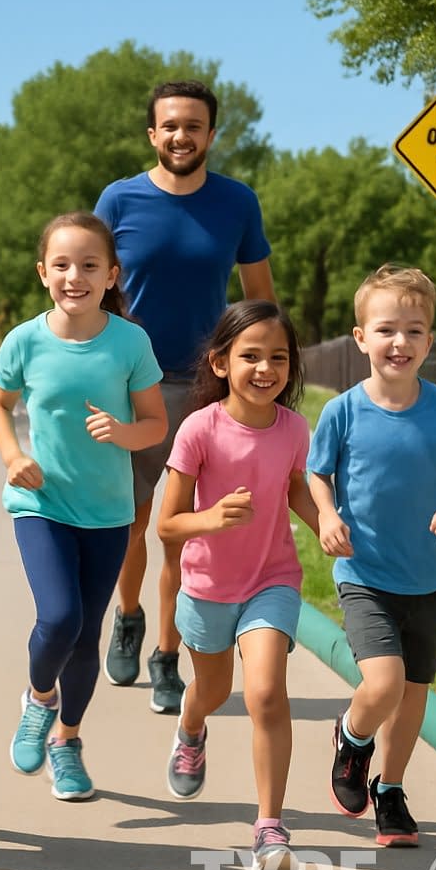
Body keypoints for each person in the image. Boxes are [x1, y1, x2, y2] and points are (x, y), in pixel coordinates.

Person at [95, 79, 276, 715]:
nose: (181, 135)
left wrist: (262, 377)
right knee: (133, 521)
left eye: (193, 125)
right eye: (170, 125)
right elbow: (91, 286)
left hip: (206, 391)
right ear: (153, 133)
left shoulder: (236, 203)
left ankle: (168, 656)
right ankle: (129, 616)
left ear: (210, 134)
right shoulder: (119, 200)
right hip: (131, 385)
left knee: (182, 534)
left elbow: (261, 303)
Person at [308, 265, 436, 847]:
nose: (400, 342)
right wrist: (328, 515)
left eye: (414, 331)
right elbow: (317, 475)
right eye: (386, 329)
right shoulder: (342, 411)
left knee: (414, 694)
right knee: (383, 684)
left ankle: (392, 792)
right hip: (365, 573)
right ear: (361, 337)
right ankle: (352, 737)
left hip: (429, 578)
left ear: (429, 341)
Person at [0, 212, 166, 800]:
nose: (75, 276)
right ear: (43, 273)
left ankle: (67, 740)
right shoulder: (24, 340)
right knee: (59, 618)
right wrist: (13, 456)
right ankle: (39, 699)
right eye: (62, 265)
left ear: (112, 275)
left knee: (85, 637)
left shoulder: (130, 342)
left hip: (109, 512)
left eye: (90, 265)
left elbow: (155, 425)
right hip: (41, 502)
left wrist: (123, 432)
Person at [157, 299, 317, 870]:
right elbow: (167, 525)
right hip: (206, 584)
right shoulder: (200, 428)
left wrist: (324, 521)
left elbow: (295, 487)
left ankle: (269, 826)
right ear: (221, 362)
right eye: (251, 355)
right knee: (211, 689)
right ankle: (191, 726)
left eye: (278, 357)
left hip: (272, 578)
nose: (266, 368)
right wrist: (212, 518)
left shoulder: (295, 429)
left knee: (266, 693)